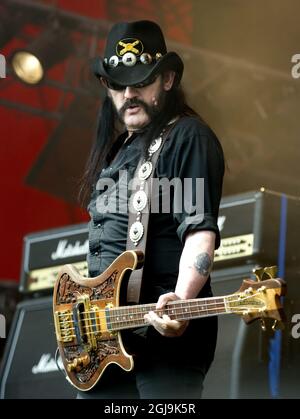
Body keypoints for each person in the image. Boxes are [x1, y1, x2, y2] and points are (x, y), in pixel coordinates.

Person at [78, 20, 224, 399]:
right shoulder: (118, 150)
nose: (129, 94)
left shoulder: (186, 136)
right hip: (105, 341)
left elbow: (199, 231)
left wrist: (183, 299)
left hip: (162, 338)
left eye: (141, 82)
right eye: (119, 84)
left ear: (168, 79)